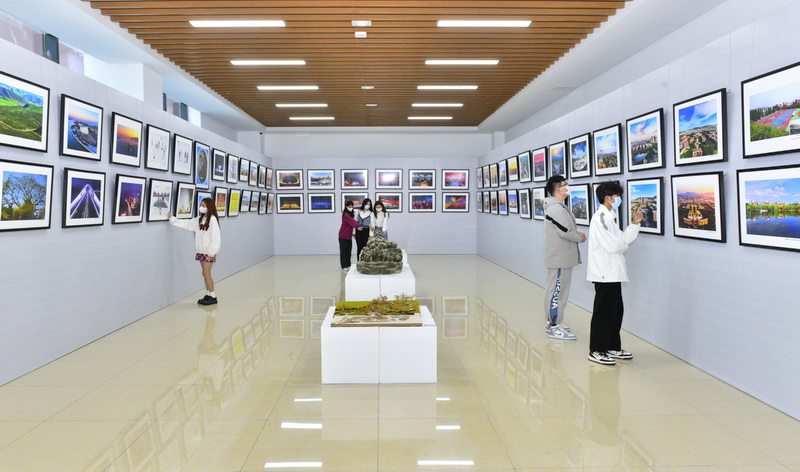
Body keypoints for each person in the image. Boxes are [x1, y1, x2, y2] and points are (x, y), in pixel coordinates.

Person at [586, 181, 643, 365]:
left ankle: (612, 346)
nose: (619, 199)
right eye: (617, 196)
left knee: (616, 311)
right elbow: (614, 245)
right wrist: (622, 244)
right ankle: (596, 349)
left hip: (613, 273)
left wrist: (634, 224)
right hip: (604, 273)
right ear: (608, 198)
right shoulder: (600, 218)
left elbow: (621, 239)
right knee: (603, 313)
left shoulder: (610, 218)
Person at [543, 175, 586, 341]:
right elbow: (565, 231)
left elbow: (564, 228)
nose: (567, 187)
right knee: (557, 293)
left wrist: (576, 234)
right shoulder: (556, 209)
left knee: (558, 291)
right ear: (558, 189)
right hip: (560, 257)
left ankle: (553, 322)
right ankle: (554, 326)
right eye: (565, 184)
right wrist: (579, 237)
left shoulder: (559, 207)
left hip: (562, 256)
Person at [167, 197, 221, 306]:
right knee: (204, 273)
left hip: (208, 251)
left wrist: (212, 252)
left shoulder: (212, 220)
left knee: (206, 273)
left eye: (204, 205)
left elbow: (216, 237)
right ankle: (208, 294)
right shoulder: (200, 219)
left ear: (209, 207)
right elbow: (187, 224)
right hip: (201, 250)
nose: (201, 207)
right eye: (201, 205)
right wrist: (172, 219)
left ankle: (213, 296)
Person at [338, 200, 360, 271]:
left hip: (348, 236)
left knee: (348, 251)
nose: (351, 208)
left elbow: (354, 221)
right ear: (346, 207)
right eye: (349, 206)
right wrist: (358, 226)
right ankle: (344, 266)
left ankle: (348, 264)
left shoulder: (351, 214)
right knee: (343, 251)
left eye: (352, 206)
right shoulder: (345, 214)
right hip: (343, 235)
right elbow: (351, 221)